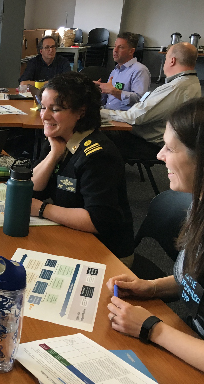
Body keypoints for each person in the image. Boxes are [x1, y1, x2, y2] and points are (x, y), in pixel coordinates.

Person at [106, 98, 204, 371]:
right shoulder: (198, 206)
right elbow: (196, 279)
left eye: (170, 148)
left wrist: (152, 328)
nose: (160, 155)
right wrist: (152, 287)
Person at [31, 72, 134, 265]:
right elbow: (34, 188)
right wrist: (54, 155)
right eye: (43, 107)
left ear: (81, 112)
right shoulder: (58, 137)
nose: (44, 116)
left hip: (107, 253)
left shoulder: (98, 155)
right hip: (72, 234)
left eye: (55, 109)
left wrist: (43, 209)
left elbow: (99, 220)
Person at [101, 42, 201, 160]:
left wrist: (100, 112)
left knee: (100, 136)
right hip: (166, 139)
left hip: (152, 143)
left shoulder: (175, 88)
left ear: (172, 61)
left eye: (166, 58)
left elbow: (135, 117)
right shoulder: (191, 82)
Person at [95, 32, 150, 111]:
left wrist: (115, 92)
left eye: (120, 47)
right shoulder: (115, 70)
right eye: (115, 46)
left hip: (123, 119)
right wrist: (100, 90)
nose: (115, 50)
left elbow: (140, 100)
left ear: (131, 51)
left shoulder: (140, 70)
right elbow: (108, 98)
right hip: (108, 113)